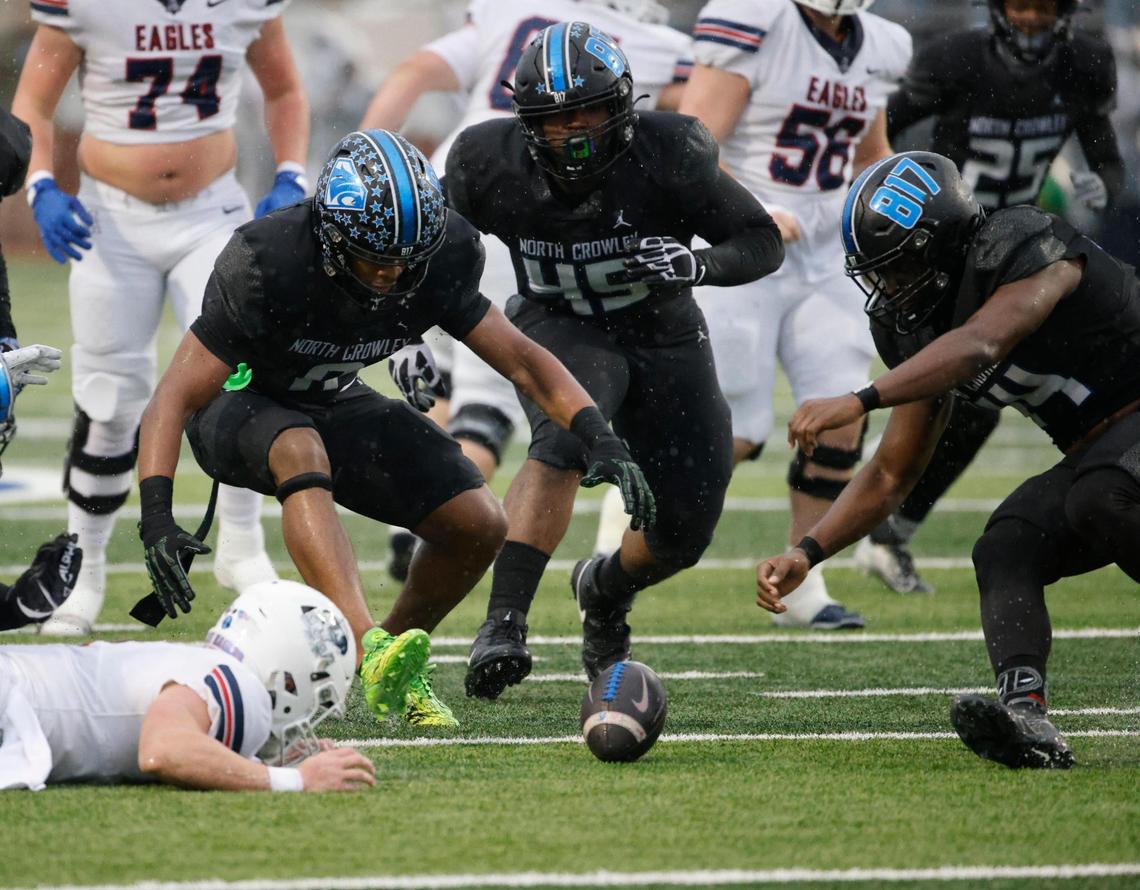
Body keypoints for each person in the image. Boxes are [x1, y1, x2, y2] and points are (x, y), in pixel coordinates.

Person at [136, 129, 656, 729]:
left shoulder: (444, 255)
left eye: (406, 259)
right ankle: (369, 646)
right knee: (298, 443)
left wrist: (599, 434)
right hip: (238, 405)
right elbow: (173, 399)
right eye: (374, 258)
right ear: (330, 237)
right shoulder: (268, 259)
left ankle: (389, 659)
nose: (391, 273)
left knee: (479, 523)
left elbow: (522, 358)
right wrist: (155, 515)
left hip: (333, 397)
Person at [757, 150, 1140, 769]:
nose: (888, 287)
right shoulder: (918, 324)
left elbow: (982, 343)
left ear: (942, 244)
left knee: (1101, 496)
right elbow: (891, 474)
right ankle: (1027, 716)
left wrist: (860, 399)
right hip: (1103, 443)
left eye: (899, 265)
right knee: (1007, 543)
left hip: (1124, 430)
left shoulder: (1022, 243)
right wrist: (808, 550)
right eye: (876, 272)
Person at [449, 22, 783, 699]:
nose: (574, 132)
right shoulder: (486, 161)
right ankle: (503, 623)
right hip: (558, 323)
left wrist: (698, 263)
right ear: (525, 120)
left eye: (589, 111)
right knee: (568, 434)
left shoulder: (672, 149)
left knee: (685, 528)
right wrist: (416, 339)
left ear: (623, 104)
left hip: (664, 335)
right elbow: (437, 254)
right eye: (557, 117)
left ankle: (604, 590)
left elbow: (760, 240)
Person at [359, 0, 694, 580]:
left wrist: (365, 164)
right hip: (518, 210)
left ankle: (407, 517)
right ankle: (433, 517)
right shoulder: (654, 45)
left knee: (432, 380)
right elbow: (688, 128)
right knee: (486, 402)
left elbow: (411, 73)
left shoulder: (507, 10)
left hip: (434, 195)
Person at [11, 0, 313, 635]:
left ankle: (239, 544)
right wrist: (41, 185)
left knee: (239, 376)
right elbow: (33, 104)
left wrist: (291, 173)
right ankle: (82, 567)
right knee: (109, 399)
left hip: (211, 211)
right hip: (108, 218)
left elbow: (284, 88)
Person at [856, 0, 1126, 594]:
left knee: (982, 396)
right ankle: (883, 521)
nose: (1031, 18)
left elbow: (1104, 157)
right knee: (956, 389)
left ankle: (890, 528)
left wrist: (1098, 185)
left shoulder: (1083, 60)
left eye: (1045, 6)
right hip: (944, 251)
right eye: (1020, 4)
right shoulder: (955, 58)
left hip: (1020, 248)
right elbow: (880, 134)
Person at [673, 0, 911, 629]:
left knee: (838, 416)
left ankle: (802, 581)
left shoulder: (881, 43)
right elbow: (689, 145)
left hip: (826, 251)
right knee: (733, 428)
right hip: (742, 244)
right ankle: (620, 547)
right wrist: (749, 210)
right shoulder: (756, 22)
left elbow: (871, 154)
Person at [1, 581, 375, 792]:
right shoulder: (241, 686)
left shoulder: (197, 660)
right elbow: (163, 750)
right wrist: (296, 779)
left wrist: (259, 759)